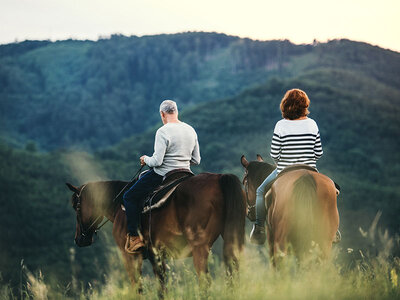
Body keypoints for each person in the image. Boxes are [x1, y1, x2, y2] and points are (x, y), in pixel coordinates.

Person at [124, 100, 201, 253]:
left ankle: (134, 238)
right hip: (186, 173)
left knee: (129, 197)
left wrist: (145, 159)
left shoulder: (163, 131)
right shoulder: (190, 129)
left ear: (162, 114)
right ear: (176, 111)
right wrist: (181, 160)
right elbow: (196, 160)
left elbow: (157, 161)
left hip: (163, 174)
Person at [250, 89, 323, 244]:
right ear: (305, 105)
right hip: (310, 168)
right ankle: (334, 230)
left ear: (285, 105)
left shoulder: (281, 125)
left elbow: (274, 153)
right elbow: (319, 152)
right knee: (333, 191)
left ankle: (259, 228)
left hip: (285, 169)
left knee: (260, 191)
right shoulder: (312, 124)